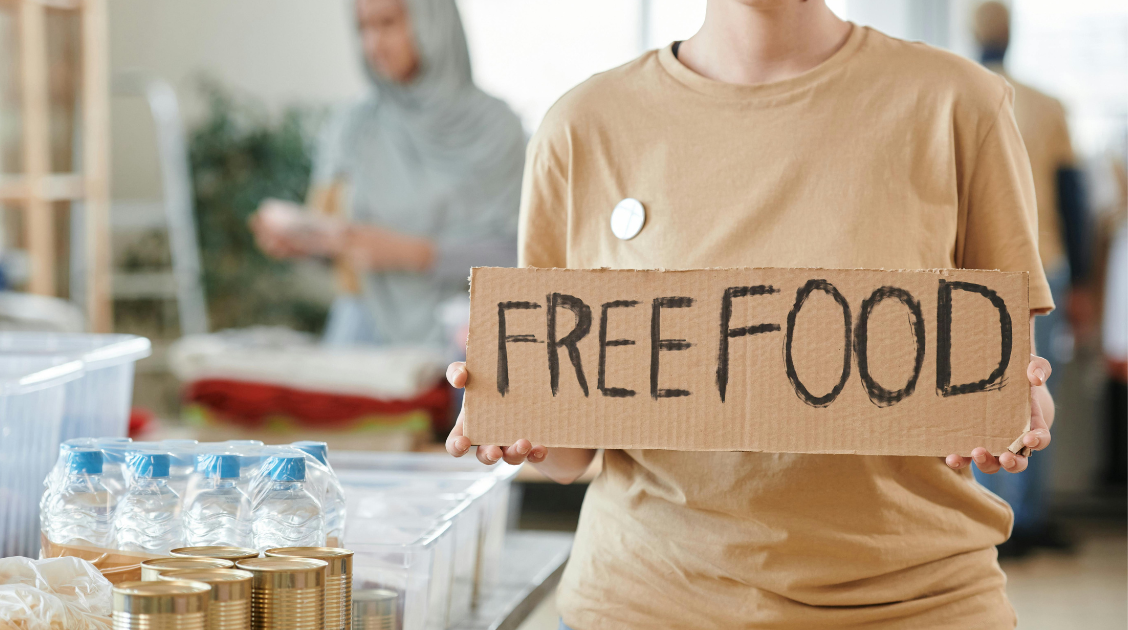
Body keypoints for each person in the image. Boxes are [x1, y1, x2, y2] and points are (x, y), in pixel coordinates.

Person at [446, 1, 1057, 628]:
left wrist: (1018, 416)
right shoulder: (581, 126)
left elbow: (1015, 383)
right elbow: (570, 453)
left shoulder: (962, 103)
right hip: (643, 602)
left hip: (917, 603)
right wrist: (515, 417)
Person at [250, 0, 524, 347]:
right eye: (363, 27)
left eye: (388, 23)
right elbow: (340, 247)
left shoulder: (497, 128)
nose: (373, 44)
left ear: (433, 22)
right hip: (363, 332)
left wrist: (416, 254)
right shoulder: (353, 127)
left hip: (466, 335)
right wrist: (303, 243)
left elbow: (522, 255)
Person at [971, 0, 1089, 557]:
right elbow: (1073, 199)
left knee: (987, 393)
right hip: (1047, 266)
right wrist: (1086, 281)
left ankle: (1001, 520)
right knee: (1043, 390)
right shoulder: (1046, 105)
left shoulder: (956, 97)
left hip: (978, 274)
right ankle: (1026, 519)